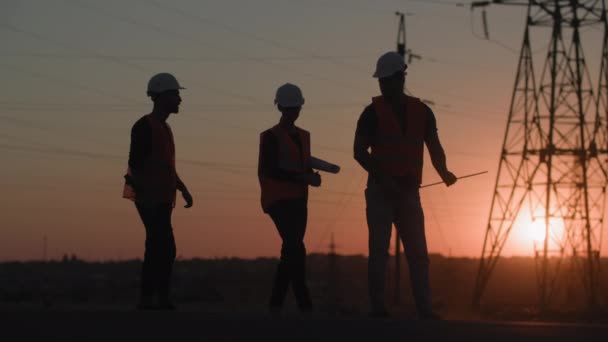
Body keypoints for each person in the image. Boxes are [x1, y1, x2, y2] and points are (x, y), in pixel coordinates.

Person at [353, 52, 457, 319]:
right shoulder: (371, 113)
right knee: (379, 252)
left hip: (409, 192)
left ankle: (425, 309)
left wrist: (443, 171)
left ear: (401, 78)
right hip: (380, 192)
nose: (383, 85)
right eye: (381, 81)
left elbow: (434, 146)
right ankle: (378, 308)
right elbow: (359, 152)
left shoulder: (422, 112)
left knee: (418, 254)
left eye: (388, 80)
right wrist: (383, 179)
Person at [123, 72, 194, 310]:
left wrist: (182, 188)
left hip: (162, 197)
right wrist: (144, 195)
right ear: (162, 96)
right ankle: (155, 299)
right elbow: (136, 164)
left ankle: (153, 299)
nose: (179, 100)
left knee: (159, 247)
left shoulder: (164, 128)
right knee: (161, 246)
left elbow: (165, 165)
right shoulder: (145, 126)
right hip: (149, 198)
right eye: (176, 95)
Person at [258, 83, 322, 314]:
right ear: (282, 108)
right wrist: (304, 177)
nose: (293, 112)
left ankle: (277, 303)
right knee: (295, 246)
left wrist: (314, 172)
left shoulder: (303, 136)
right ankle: (303, 301)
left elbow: (301, 161)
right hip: (278, 201)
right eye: (290, 108)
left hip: (299, 200)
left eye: (295, 108)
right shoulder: (270, 137)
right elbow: (271, 169)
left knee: (292, 248)